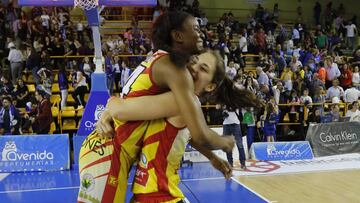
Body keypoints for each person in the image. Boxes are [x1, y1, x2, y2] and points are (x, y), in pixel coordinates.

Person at [78, 11, 237, 203]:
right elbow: (200, 134)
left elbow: (186, 130)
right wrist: (226, 142)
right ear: (178, 36)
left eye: (203, 68)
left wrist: (211, 156)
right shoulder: (175, 73)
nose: (201, 33)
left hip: (111, 151)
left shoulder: (163, 66)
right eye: (195, 29)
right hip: (110, 151)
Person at [96, 50, 262, 202]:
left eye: (203, 68)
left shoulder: (178, 100)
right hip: (156, 194)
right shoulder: (178, 99)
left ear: (210, 86)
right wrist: (216, 150)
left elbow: (190, 134)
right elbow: (193, 134)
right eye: (194, 61)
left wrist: (213, 155)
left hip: (154, 193)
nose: (194, 68)